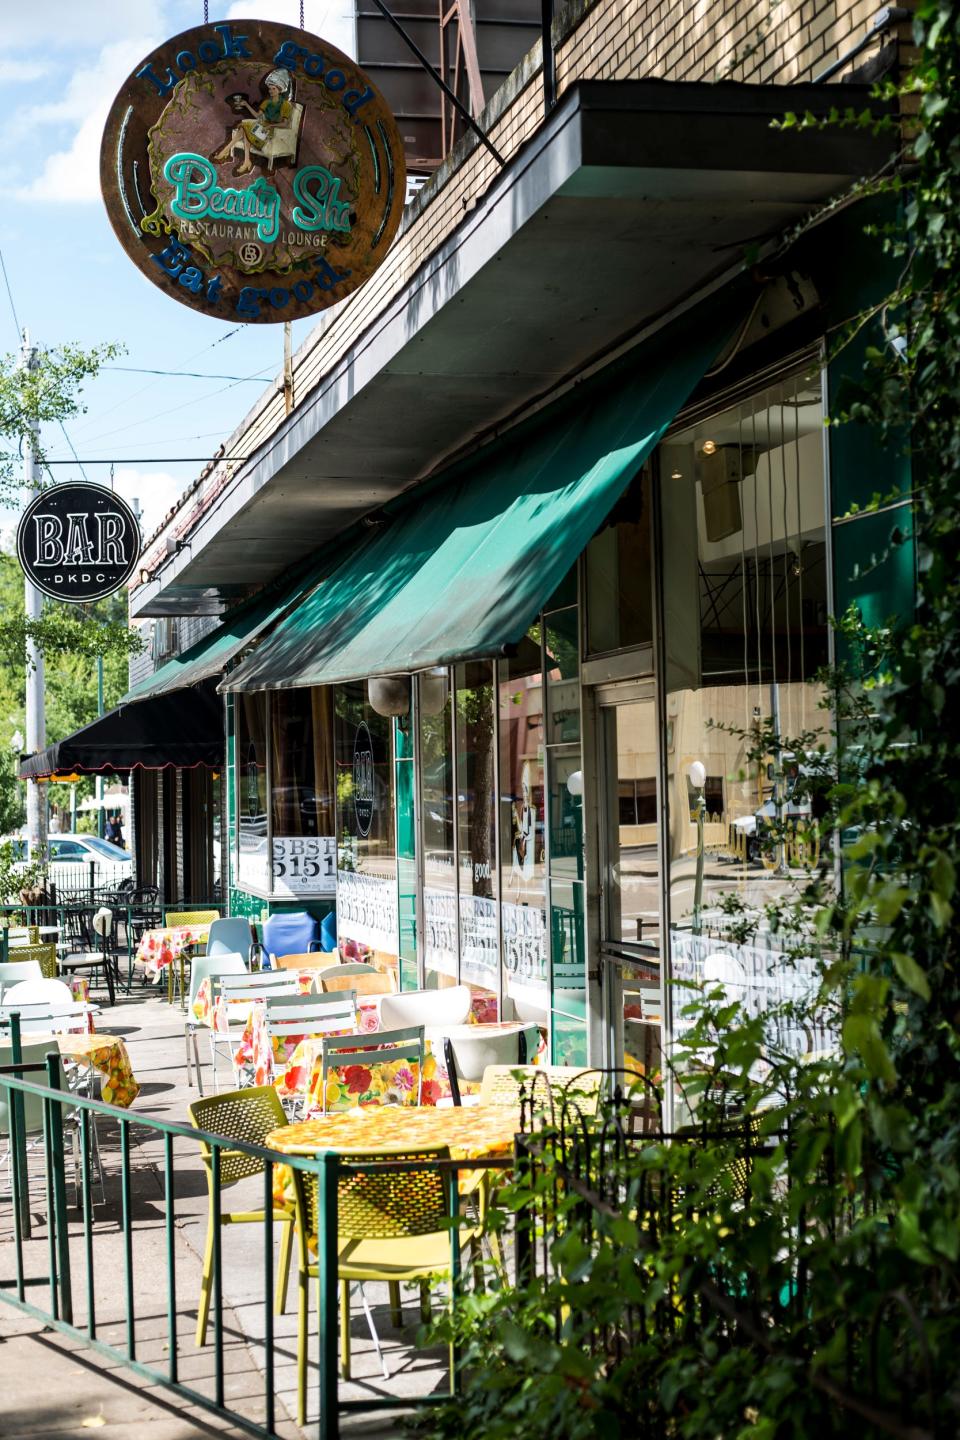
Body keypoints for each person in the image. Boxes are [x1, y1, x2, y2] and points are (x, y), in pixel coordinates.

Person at [212, 69, 294, 176]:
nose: (270, 91)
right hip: (260, 128)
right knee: (245, 127)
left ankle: (228, 153)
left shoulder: (285, 105)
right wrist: (246, 105)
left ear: (280, 90)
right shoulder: (267, 102)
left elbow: (285, 123)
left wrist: (270, 125)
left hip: (271, 133)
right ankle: (245, 161)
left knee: (245, 127)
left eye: (273, 89)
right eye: (270, 89)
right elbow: (257, 116)